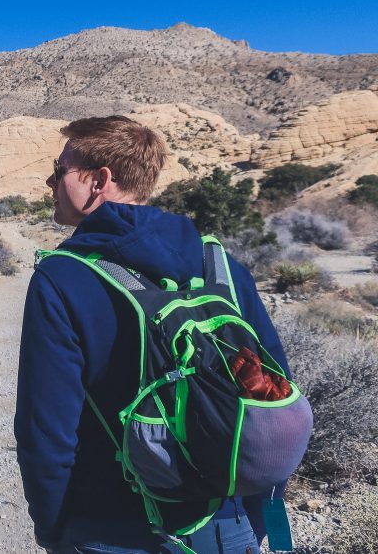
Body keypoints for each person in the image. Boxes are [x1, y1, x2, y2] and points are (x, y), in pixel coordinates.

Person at [15, 116, 289, 554]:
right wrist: (258, 515)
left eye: (60, 168)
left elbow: (46, 430)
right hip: (224, 524)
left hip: (108, 528)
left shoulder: (62, 277)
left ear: (99, 180)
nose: (50, 180)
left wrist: (52, 530)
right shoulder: (222, 267)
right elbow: (273, 394)